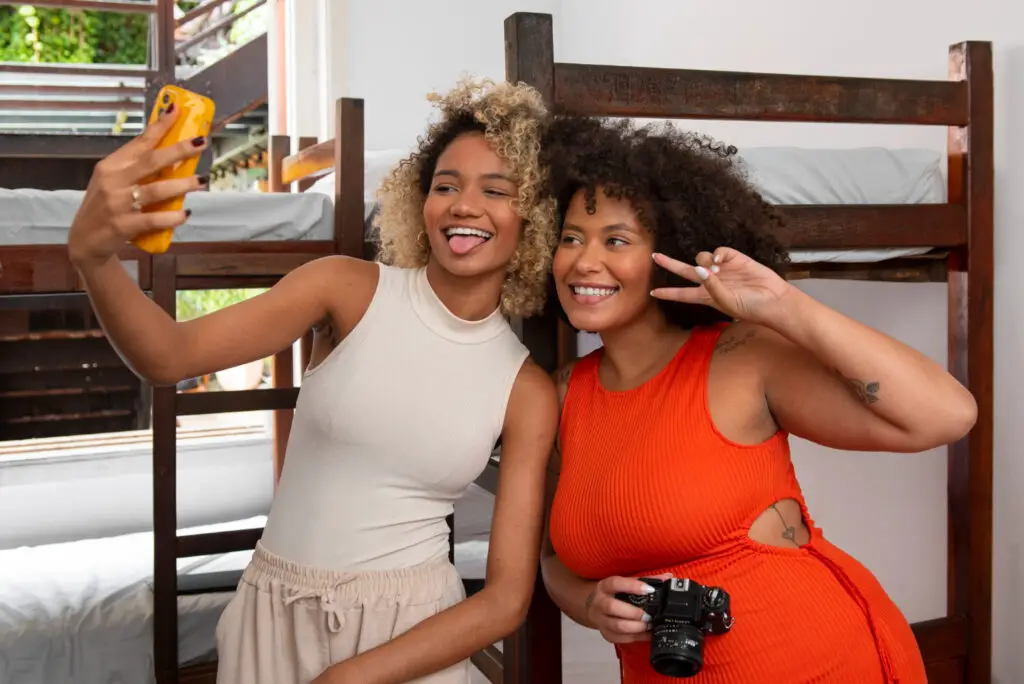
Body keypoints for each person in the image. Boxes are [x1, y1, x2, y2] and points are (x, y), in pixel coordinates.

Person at [66, 78, 560, 684]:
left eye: (496, 190)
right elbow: (169, 356)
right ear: (419, 198)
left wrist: (352, 676)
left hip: (410, 636)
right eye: (446, 185)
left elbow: (507, 599)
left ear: (534, 217)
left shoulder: (526, 389)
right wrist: (91, 257)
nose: (463, 205)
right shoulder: (344, 288)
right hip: (275, 617)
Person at [536, 116, 978, 684]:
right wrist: (591, 604)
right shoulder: (565, 394)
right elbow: (552, 560)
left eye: (616, 241)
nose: (583, 262)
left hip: (817, 661)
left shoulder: (739, 358)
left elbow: (948, 414)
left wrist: (785, 306)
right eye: (571, 237)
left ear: (669, 252)